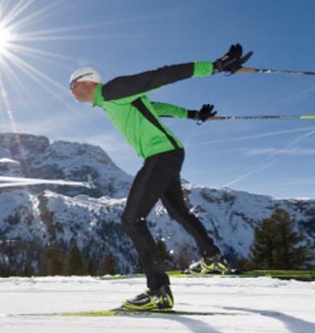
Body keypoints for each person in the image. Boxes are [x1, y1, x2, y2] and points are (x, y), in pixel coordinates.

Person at [68, 44, 252, 311]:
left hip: (161, 155)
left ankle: (158, 292)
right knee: (178, 211)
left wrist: (214, 67)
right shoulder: (113, 101)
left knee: (132, 219)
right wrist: (194, 114)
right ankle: (212, 258)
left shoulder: (112, 90)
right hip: (167, 154)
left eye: (72, 85)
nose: (71, 92)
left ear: (87, 81)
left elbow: (161, 75)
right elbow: (158, 107)